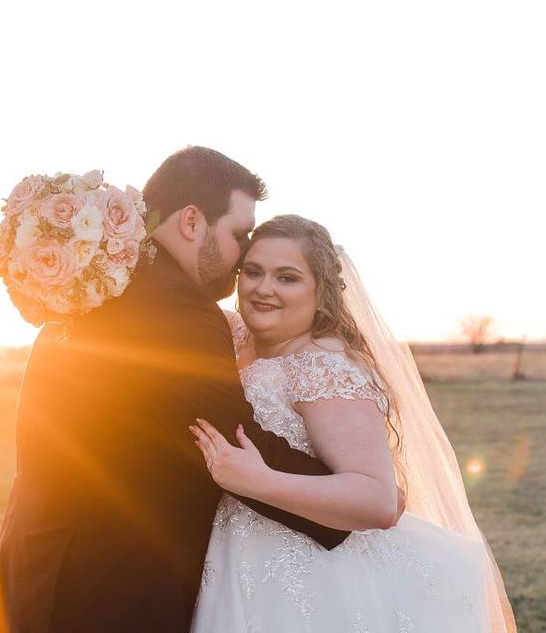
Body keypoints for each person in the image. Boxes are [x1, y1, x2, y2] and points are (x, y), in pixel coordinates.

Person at [0, 148, 403, 633]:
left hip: (42, 570)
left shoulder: (101, 284)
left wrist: (359, 491)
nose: (244, 254)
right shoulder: (179, 312)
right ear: (191, 221)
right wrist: (363, 498)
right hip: (106, 590)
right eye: (239, 234)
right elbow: (229, 436)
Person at [189, 215, 517, 632]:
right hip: (236, 557)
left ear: (322, 294)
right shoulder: (233, 338)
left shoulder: (323, 367)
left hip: (312, 573)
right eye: (253, 272)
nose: (263, 288)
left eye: (287, 278)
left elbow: (376, 499)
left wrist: (256, 480)